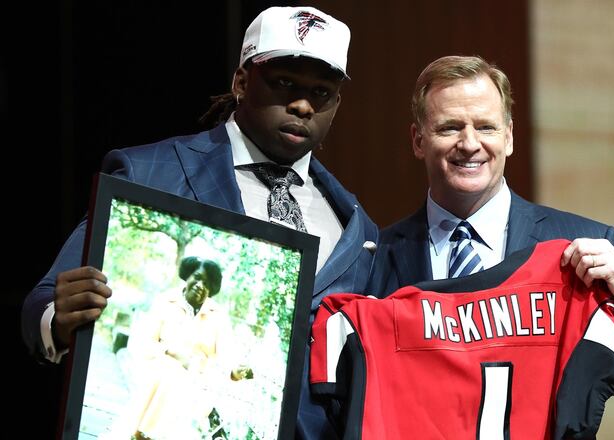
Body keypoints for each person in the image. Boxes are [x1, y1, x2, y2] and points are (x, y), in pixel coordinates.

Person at [21, 6, 376, 439]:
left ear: (337, 105)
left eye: (321, 93)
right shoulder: (150, 174)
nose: (302, 105)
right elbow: (44, 303)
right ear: (241, 82)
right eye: (284, 84)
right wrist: (60, 318)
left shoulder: (358, 231)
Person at [365, 55, 614, 415]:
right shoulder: (375, 259)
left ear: (509, 137)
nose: (469, 144)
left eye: (486, 127)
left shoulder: (580, 244)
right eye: (450, 127)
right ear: (418, 140)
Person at [109, 257, 248, 440]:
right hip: (157, 374)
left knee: (179, 385)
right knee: (168, 374)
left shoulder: (218, 316)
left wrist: (235, 371)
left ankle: (146, 434)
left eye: (206, 283)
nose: (199, 285)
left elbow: (226, 354)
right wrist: (170, 353)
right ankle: (144, 434)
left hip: (196, 382)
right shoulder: (165, 301)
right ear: (187, 276)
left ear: (211, 290)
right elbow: (144, 341)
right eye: (196, 278)